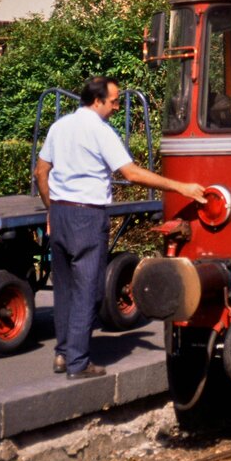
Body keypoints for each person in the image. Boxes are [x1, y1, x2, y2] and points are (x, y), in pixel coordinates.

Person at [34, 77, 206, 379]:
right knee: (88, 290)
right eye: (113, 101)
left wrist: (52, 208)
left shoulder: (59, 127)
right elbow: (131, 173)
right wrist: (181, 187)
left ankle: (62, 355)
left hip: (60, 213)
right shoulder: (101, 132)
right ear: (97, 101)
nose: (116, 106)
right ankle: (77, 363)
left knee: (64, 290)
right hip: (87, 216)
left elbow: (41, 170)